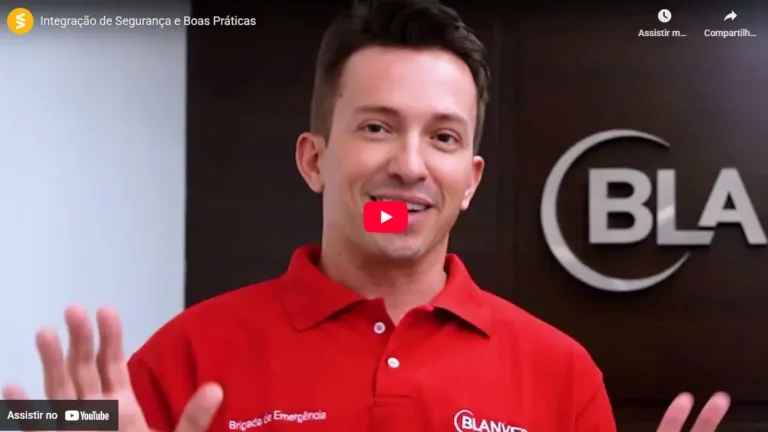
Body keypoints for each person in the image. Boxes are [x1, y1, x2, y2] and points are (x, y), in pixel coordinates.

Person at [2, 0, 732, 431]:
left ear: (470, 181)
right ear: (314, 159)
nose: (410, 166)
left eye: (443, 137)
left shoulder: (561, 373)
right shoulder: (185, 354)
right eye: (377, 127)